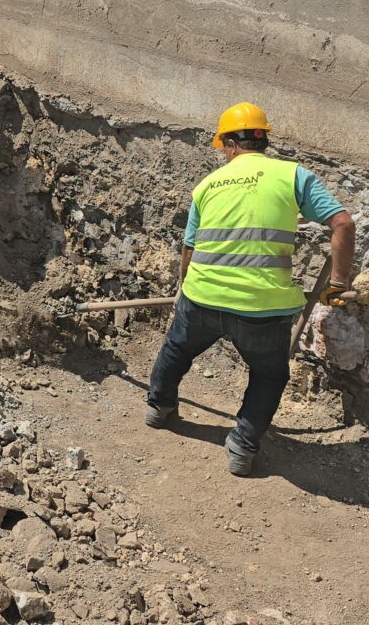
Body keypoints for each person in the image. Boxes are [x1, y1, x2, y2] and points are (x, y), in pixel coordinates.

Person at [145, 102, 356, 476]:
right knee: (268, 375)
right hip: (262, 309)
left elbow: (189, 247)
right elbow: (342, 223)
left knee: (177, 349)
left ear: (227, 144)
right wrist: (338, 282)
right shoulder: (293, 176)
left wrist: (184, 288)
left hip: (203, 297)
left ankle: (158, 409)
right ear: (263, 140)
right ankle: (242, 447)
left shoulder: (207, 186)